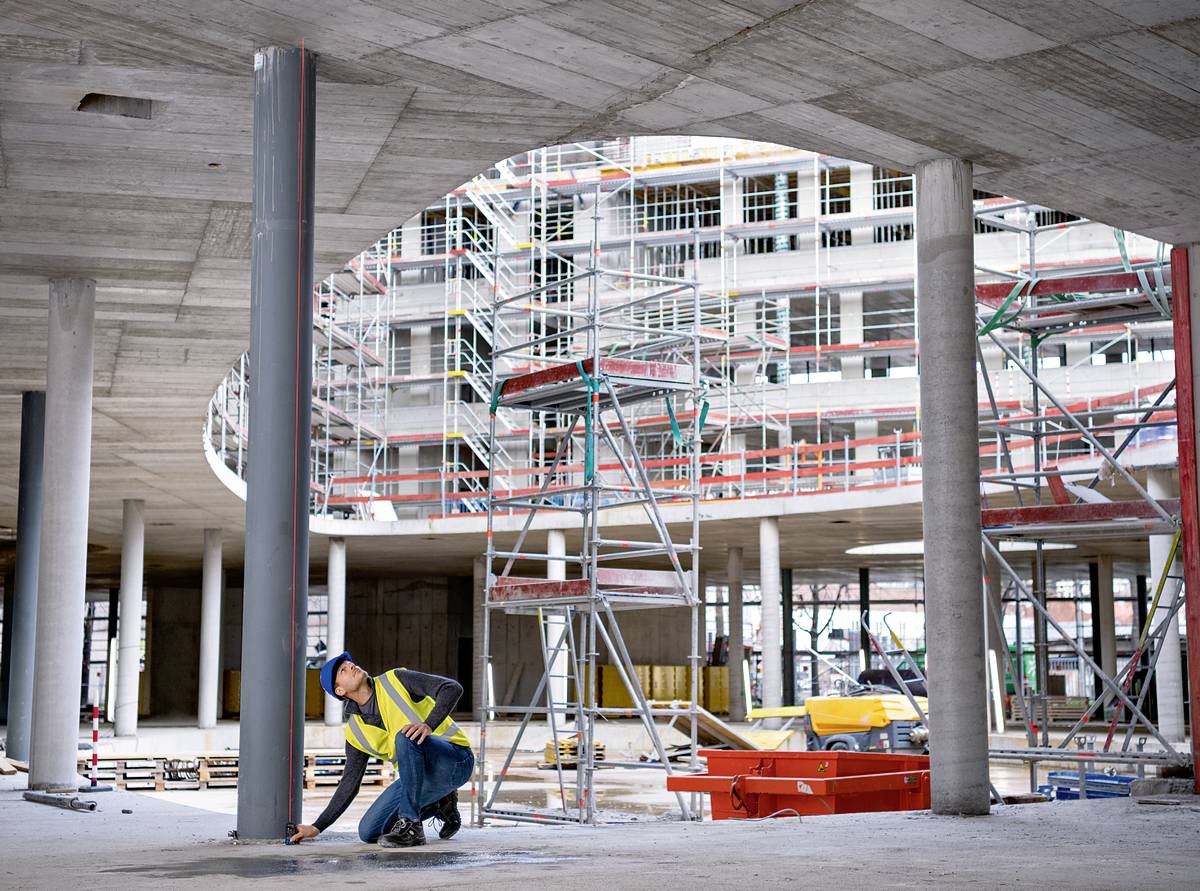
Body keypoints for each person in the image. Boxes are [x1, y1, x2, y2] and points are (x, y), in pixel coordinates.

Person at [289, 653, 475, 848]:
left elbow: (451, 688)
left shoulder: (396, 680)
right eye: (343, 670)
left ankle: (411, 826)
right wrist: (317, 827)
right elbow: (349, 785)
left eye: (349, 663)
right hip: (421, 778)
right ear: (340, 690)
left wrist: (428, 725)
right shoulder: (355, 732)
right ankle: (441, 804)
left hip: (456, 760)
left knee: (404, 737)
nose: (351, 666)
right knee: (369, 831)